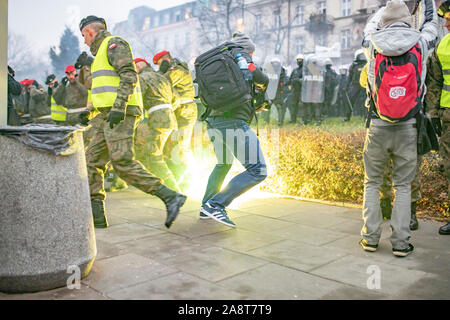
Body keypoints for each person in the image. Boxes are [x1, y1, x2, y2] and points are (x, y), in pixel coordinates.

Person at [78, 15, 186, 229]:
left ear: (91, 32)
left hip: (121, 114)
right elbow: (104, 90)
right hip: (107, 115)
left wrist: (119, 108)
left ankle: (170, 196)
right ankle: (96, 216)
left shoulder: (114, 44)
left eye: (84, 36)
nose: (84, 41)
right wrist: (90, 113)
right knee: (91, 162)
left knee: (122, 162)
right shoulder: (100, 53)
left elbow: (129, 76)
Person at [360, 0, 437, 256]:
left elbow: (370, 25)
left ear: (383, 20)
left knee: (372, 182)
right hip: (408, 125)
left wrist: (384, 9)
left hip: (378, 123)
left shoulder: (372, 42)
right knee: (402, 185)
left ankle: (370, 239)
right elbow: (432, 25)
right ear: (407, 20)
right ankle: (401, 243)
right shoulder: (421, 43)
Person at [198, 32, 269, 227]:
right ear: (250, 51)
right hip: (232, 121)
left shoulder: (220, 58)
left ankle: (206, 207)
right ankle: (215, 204)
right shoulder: (241, 55)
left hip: (213, 119)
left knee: (223, 163)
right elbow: (258, 75)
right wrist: (263, 86)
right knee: (258, 170)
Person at [135, 57, 181, 192]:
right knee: (164, 153)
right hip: (171, 117)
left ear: (137, 68)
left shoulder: (142, 79)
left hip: (157, 119)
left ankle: (173, 190)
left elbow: (138, 101)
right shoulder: (162, 78)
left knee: (152, 154)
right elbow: (176, 99)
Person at [153, 50, 197, 192]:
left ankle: (187, 179)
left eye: (160, 63)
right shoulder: (176, 69)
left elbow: (161, 84)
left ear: (166, 59)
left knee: (182, 146)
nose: (160, 66)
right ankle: (182, 178)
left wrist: (161, 71)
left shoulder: (178, 70)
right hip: (179, 111)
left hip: (185, 111)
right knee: (175, 146)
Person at [425, 2, 450, 235]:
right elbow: (434, 81)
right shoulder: (443, 45)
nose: (446, 24)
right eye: (445, 19)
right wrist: (433, 113)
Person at [344, 50, 367, 120]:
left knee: (366, 101)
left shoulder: (367, 64)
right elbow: (350, 77)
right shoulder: (353, 65)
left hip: (365, 85)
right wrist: (346, 86)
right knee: (351, 99)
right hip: (355, 85)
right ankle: (347, 116)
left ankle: (366, 116)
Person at [288, 54, 304, 124]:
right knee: (293, 105)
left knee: (303, 105)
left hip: (303, 90)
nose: (299, 61)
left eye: (300, 60)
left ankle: (304, 120)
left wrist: (299, 80)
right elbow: (290, 79)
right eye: (298, 60)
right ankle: (293, 119)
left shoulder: (306, 70)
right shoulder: (295, 70)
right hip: (295, 90)